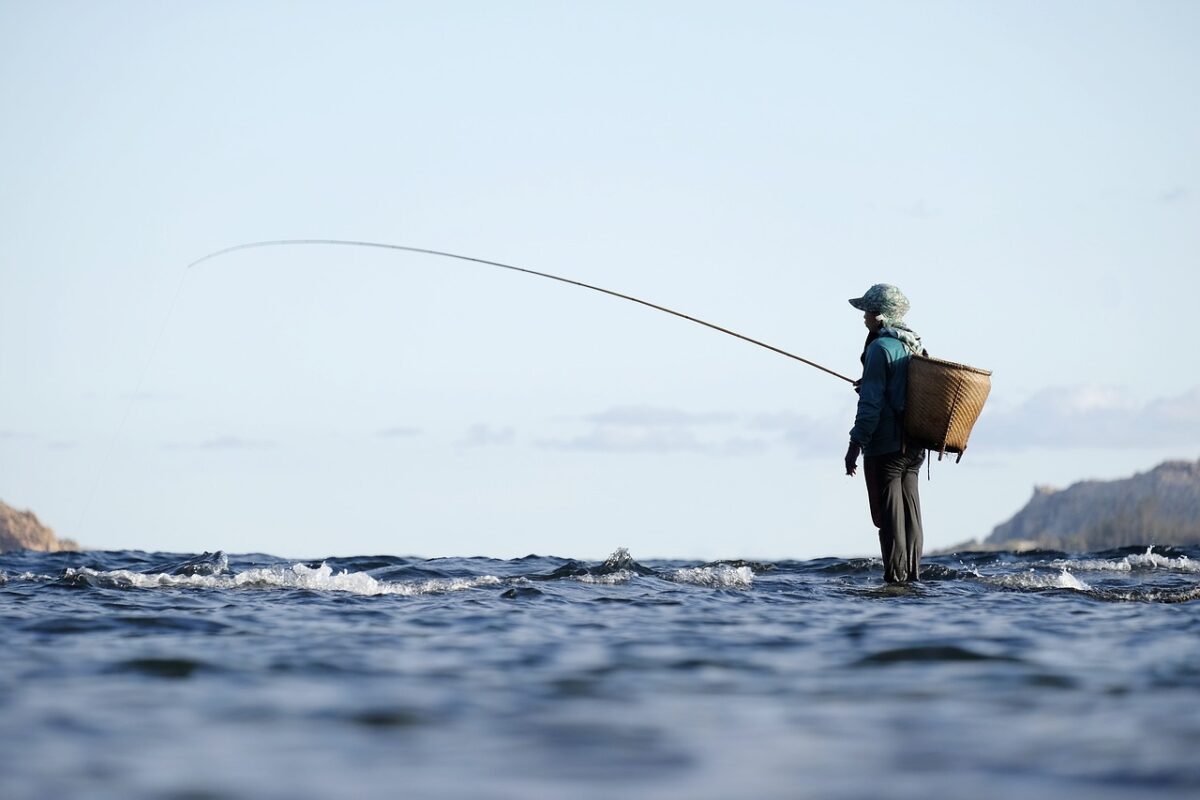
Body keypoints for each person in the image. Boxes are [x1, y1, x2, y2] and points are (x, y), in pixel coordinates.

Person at [843, 284, 926, 583]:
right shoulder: (913, 344)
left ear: (879, 316)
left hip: (886, 447)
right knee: (910, 515)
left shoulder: (879, 348)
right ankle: (913, 579)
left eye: (866, 311)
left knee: (889, 519)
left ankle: (895, 581)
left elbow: (871, 404)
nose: (863, 317)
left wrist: (855, 444)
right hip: (915, 447)